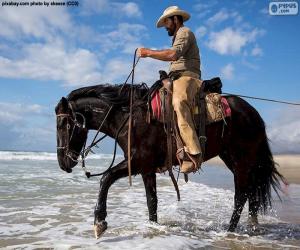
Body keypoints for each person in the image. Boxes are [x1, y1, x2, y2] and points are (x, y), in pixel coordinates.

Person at [137, 6, 203, 174]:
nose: (166, 26)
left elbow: (173, 55)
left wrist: (148, 52)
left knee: (178, 102)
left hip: (189, 77)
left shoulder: (185, 32)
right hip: (175, 78)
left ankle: (194, 153)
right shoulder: (176, 37)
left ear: (175, 19)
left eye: (167, 22)